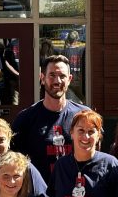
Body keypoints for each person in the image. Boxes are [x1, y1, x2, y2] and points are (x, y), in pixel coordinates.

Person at [11, 54, 89, 183]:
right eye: (52, 75)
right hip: (39, 196)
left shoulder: (84, 115)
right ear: (42, 78)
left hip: (76, 195)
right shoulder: (25, 119)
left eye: (62, 76)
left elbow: (96, 157)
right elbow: (14, 161)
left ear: (69, 79)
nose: (57, 81)